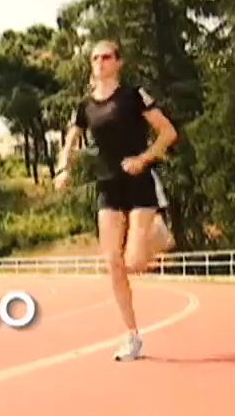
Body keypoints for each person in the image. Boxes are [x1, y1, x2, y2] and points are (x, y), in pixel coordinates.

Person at [53, 40, 178, 362]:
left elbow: (168, 133)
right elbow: (70, 141)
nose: (100, 62)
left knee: (135, 262)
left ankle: (159, 233)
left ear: (118, 63)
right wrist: (63, 168)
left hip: (138, 181)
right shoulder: (84, 106)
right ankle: (132, 335)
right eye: (95, 58)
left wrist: (144, 158)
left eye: (106, 57)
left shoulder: (134, 96)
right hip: (108, 186)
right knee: (112, 264)